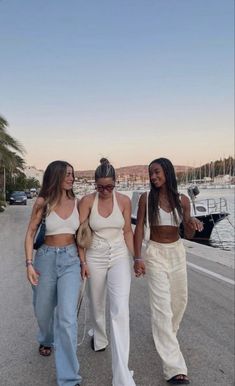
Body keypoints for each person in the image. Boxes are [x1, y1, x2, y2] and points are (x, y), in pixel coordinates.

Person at [133, 157, 203, 385]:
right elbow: (138, 229)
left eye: (156, 172)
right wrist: (137, 257)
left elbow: (188, 234)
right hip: (155, 254)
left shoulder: (182, 200)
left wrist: (192, 224)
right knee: (162, 308)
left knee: (179, 303)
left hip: (176, 252)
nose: (153, 177)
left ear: (167, 172)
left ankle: (165, 337)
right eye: (150, 173)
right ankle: (174, 368)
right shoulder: (146, 198)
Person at [78, 158, 136, 386]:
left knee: (120, 309)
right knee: (97, 303)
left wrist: (136, 257)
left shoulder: (123, 201)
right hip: (95, 256)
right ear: (94, 183)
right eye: (100, 186)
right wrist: (82, 262)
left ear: (116, 183)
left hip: (120, 255)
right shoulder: (86, 201)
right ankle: (99, 337)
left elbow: (128, 232)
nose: (104, 190)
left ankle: (122, 375)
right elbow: (81, 236)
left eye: (109, 186)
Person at [25, 160, 82, 386]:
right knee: (43, 311)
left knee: (67, 319)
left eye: (73, 174)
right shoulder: (43, 202)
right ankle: (46, 338)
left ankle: (69, 378)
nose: (71, 178)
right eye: (67, 174)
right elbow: (30, 233)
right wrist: (29, 263)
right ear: (56, 176)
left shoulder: (78, 202)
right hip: (45, 259)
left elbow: (83, 236)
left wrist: (83, 262)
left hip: (70, 260)